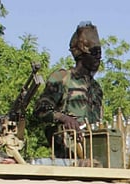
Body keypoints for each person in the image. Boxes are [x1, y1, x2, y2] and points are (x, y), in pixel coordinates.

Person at [33, 21, 103, 158]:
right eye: (94, 53)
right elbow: (40, 110)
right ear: (81, 54)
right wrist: (63, 118)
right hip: (67, 156)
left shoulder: (96, 88)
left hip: (93, 155)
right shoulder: (62, 78)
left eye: (99, 53)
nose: (98, 58)